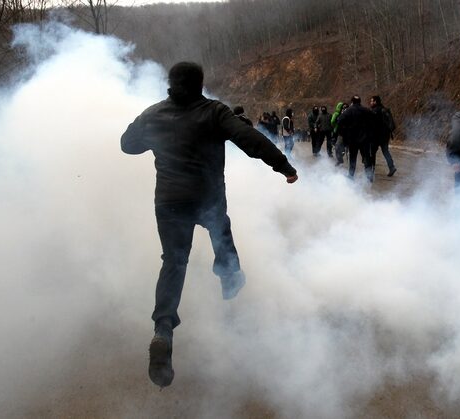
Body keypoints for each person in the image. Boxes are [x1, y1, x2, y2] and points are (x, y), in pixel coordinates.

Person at [120, 62, 298, 388]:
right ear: (200, 84)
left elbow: (127, 144)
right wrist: (283, 165)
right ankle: (230, 286)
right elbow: (249, 139)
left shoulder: (154, 113)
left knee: (173, 263)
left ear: (170, 84)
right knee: (221, 235)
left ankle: (162, 328)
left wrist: (148, 124)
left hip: (169, 202)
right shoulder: (214, 112)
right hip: (207, 198)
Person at [336, 95, 380, 182]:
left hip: (352, 140)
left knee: (352, 158)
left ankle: (351, 175)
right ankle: (369, 176)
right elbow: (375, 119)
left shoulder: (348, 111)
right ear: (360, 102)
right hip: (365, 139)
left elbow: (339, 121)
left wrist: (345, 132)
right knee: (366, 158)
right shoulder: (366, 110)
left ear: (352, 102)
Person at [369, 95, 397, 176]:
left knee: (372, 153)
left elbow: (371, 124)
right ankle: (391, 167)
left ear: (375, 102)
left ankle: (372, 170)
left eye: (371, 101)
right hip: (385, 135)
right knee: (385, 151)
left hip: (376, 136)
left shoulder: (374, 111)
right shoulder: (385, 109)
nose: (370, 103)